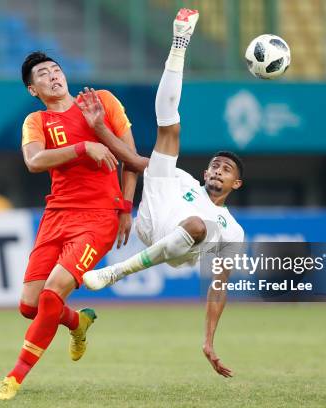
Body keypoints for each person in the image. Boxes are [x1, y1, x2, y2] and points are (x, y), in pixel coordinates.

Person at [82, 8, 245, 378]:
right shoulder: (184, 179)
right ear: (206, 172)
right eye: (215, 165)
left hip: (182, 246)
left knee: (200, 224)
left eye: (227, 169)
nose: (218, 170)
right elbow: (131, 159)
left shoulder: (232, 230)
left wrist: (209, 340)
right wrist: (100, 130)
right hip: (151, 220)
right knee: (168, 131)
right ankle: (179, 43)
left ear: (236, 184)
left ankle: (116, 273)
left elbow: (218, 288)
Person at [0, 51, 146, 400]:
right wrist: (83, 147)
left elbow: (131, 158)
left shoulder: (101, 101)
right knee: (29, 306)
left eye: (56, 69)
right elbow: (33, 161)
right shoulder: (36, 121)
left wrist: (124, 205)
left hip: (98, 217)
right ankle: (78, 322)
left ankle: (14, 378)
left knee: (51, 293)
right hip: (57, 215)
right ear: (34, 90)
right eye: (43, 75)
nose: (53, 76)